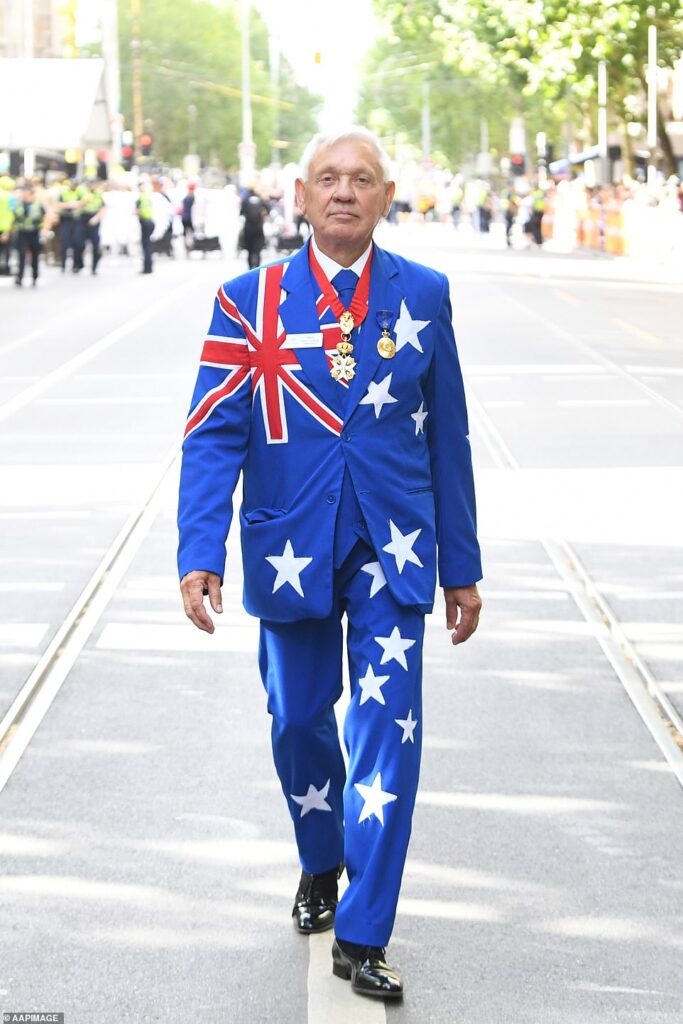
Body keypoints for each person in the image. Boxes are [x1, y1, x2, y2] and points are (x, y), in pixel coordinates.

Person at [177, 127, 482, 1001]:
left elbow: (449, 441)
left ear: (387, 199)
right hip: (288, 549)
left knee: (388, 737)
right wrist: (200, 550)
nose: (344, 192)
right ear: (300, 198)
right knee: (297, 717)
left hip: (394, 552)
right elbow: (212, 434)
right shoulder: (249, 301)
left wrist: (460, 564)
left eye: (363, 180)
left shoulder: (424, 295)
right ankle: (320, 857)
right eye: (327, 180)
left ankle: (365, 928)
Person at [13, 182, 45, 286]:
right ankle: (20, 276)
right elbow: (14, 217)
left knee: (35, 255)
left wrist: (45, 230)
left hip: (34, 232)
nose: (23, 194)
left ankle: (35, 276)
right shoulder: (18, 203)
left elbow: (45, 216)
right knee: (21, 254)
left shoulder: (38, 204)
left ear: (31, 193)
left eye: (25, 192)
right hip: (22, 232)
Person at [239, 186, 269, 268]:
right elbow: (267, 211)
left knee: (249, 251)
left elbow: (241, 213)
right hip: (259, 228)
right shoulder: (261, 201)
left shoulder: (245, 201)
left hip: (248, 228)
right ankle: (257, 267)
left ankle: (250, 267)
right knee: (258, 251)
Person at [135, 182, 155, 274]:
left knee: (146, 246)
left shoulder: (140, 199)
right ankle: (149, 267)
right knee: (148, 245)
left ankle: (147, 268)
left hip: (145, 223)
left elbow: (137, 211)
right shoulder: (148, 197)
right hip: (150, 222)